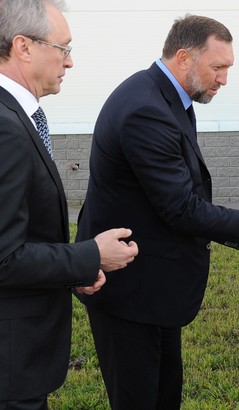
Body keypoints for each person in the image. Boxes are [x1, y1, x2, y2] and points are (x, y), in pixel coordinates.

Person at [75, 14, 239, 410]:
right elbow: (180, 208)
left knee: (164, 394)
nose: (224, 79)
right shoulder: (146, 108)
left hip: (153, 287)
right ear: (183, 58)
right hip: (131, 291)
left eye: (228, 68)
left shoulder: (164, 96)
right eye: (218, 67)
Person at [0, 0, 139, 408]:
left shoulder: (17, 117)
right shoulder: (6, 128)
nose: (71, 61)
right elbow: (4, 257)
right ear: (23, 47)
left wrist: (73, 268)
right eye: (64, 48)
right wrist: (89, 255)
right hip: (10, 361)